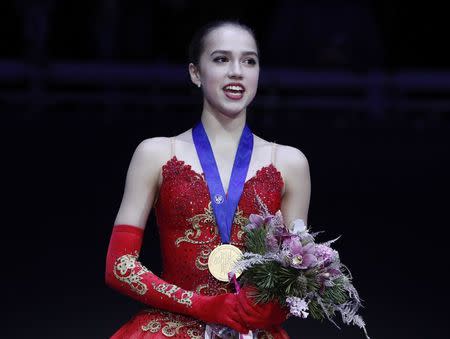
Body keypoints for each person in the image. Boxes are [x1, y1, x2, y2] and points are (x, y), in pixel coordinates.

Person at [105, 20, 311, 339]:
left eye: (249, 61)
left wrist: (267, 309)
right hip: (172, 329)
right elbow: (119, 266)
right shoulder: (156, 154)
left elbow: (297, 272)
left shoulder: (290, 163)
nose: (237, 72)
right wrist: (203, 306)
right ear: (195, 73)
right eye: (221, 59)